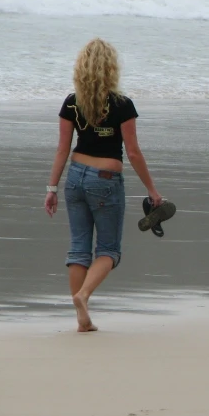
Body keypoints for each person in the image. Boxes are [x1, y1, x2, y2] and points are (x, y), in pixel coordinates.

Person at [44, 38, 163, 332]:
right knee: (109, 250)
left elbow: (62, 150)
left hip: (74, 178)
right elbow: (133, 153)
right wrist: (152, 190)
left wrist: (51, 189)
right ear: (111, 68)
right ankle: (83, 296)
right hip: (106, 181)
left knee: (78, 250)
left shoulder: (71, 102)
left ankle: (81, 319)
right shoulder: (122, 104)